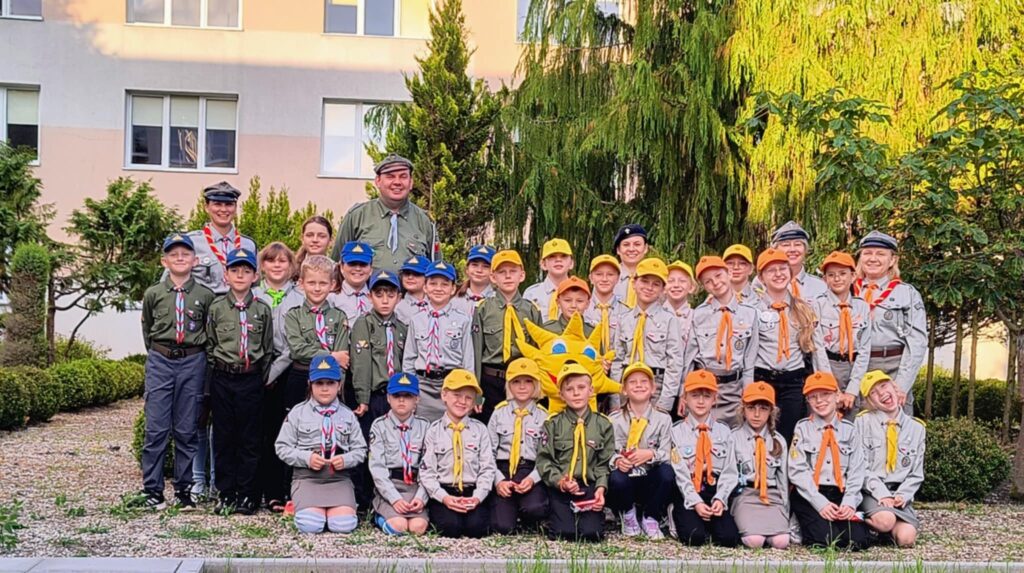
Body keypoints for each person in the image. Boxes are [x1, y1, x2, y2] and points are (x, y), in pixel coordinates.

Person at [180, 181, 257, 503]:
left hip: (235, 338)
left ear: (235, 207)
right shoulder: (193, 243)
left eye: (229, 204)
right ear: (207, 207)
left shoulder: (247, 244)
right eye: (217, 204)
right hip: (202, 337)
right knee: (201, 411)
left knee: (227, 417)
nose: (223, 209)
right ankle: (198, 478)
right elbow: (176, 284)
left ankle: (218, 480)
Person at [137, 233, 216, 510]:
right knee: (156, 429)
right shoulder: (154, 294)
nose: (180, 258)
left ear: (195, 260)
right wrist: (160, 354)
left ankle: (184, 490)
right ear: (164, 261)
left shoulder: (205, 296)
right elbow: (147, 329)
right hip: (161, 360)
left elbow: (209, 333)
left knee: (186, 429)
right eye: (174, 254)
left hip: (192, 362)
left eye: (185, 254)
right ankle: (153, 491)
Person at [204, 248, 274, 515]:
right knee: (224, 437)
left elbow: (267, 348)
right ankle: (226, 493)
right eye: (235, 270)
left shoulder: (262, 310)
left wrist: (258, 376)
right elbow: (210, 344)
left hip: (251, 379)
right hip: (223, 378)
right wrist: (221, 369)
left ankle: (248, 494)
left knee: (250, 438)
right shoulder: (217, 308)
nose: (240, 275)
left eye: (246, 271)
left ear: (255, 276)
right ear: (226, 275)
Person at [275, 353, 366, 534]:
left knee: (343, 525)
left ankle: (331, 509)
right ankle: (301, 504)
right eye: (319, 383)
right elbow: (282, 447)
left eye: (330, 383)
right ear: (310, 384)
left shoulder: (348, 415)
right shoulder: (297, 413)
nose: (325, 388)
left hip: (338, 479)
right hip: (307, 478)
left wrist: (346, 460)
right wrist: (306, 458)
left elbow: (361, 450)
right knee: (311, 525)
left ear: (339, 385)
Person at [753, 248, 830, 442]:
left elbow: (817, 349)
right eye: (771, 270)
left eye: (782, 269)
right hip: (762, 379)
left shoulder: (803, 308)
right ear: (761, 278)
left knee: (789, 436)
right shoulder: (752, 309)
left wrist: (828, 383)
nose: (778, 274)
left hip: (793, 382)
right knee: (761, 435)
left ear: (790, 272)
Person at [788, 371, 868, 550]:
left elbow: (857, 470)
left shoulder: (850, 430)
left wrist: (849, 502)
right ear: (807, 401)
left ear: (837, 396)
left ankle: (832, 523)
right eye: (813, 397)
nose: (819, 401)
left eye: (825, 394)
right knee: (825, 541)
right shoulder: (802, 429)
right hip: (811, 494)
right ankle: (800, 522)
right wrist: (820, 503)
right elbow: (797, 470)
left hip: (840, 493)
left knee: (858, 541)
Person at [535, 363, 615, 542]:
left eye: (581, 387)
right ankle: (555, 515)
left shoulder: (603, 424)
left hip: (589, 485)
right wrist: (561, 481)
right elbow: (544, 460)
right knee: (563, 533)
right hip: (561, 485)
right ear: (561, 395)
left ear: (591, 390)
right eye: (569, 389)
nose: (576, 393)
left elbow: (604, 463)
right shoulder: (552, 424)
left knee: (592, 535)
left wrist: (600, 489)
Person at [855, 231, 928, 413]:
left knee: (895, 426)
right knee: (856, 424)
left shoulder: (907, 294)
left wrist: (901, 385)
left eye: (880, 254)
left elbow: (917, 342)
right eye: (867, 253)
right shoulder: (846, 291)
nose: (873, 259)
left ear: (892, 260)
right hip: (855, 369)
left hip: (893, 368)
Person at [419, 370, 497, 538]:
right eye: (457, 395)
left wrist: (477, 497)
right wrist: (444, 497)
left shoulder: (480, 430)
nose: (462, 402)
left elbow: (487, 468)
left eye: (468, 398)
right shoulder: (433, 431)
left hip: (472, 490)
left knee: (477, 529)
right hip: (445, 490)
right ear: (444, 395)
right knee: (449, 528)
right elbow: (427, 472)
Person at [682, 256, 758, 427]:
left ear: (728, 273)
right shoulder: (699, 314)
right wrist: (683, 392)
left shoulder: (749, 313)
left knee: (735, 436)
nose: (715, 283)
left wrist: (748, 393)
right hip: (705, 389)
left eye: (718, 276)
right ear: (704, 287)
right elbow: (689, 359)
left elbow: (749, 360)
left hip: (735, 390)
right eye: (708, 281)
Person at [253, 241, 300, 513]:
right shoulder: (253, 295)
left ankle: (285, 490)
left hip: (287, 372)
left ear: (291, 266)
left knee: (287, 432)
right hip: (257, 373)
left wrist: (272, 373)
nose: (277, 265)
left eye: (283, 261)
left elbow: (294, 345)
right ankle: (264, 490)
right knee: (263, 433)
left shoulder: (300, 297)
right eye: (271, 260)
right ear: (262, 265)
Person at [332, 154, 438, 272]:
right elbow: (337, 265)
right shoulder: (357, 216)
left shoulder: (424, 221)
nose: (397, 182)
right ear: (378, 181)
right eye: (390, 176)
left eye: (403, 177)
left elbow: (436, 271)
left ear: (411, 182)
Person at [669, 370, 739, 547]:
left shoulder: (724, 431)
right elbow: (680, 474)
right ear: (685, 398)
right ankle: (675, 512)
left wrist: (720, 499)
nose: (701, 401)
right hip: (689, 489)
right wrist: (696, 502)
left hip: (715, 489)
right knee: (694, 538)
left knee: (729, 539)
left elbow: (730, 471)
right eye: (695, 396)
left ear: (714, 399)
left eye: (706, 396)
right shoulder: (676, 432)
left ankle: (710, 520)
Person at [471, 250, 542, 424]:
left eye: (513, 271)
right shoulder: (483, 309)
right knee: (489, 425)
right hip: (491, 380)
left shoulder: (531, 310)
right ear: (493, 277)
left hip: (522, 379)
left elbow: (538, 352)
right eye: (502, 272)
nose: (508, 276)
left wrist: (538, 388)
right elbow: (476, 352)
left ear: (522, 275)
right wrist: (476, 391)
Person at [855, 370, 924, 547]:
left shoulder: (917, 428)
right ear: (870, 402)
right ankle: (859, 522)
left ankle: (882, 532)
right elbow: (860, 467)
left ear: (894, 388)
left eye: (884, 386)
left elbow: (916, 473)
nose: (882, 393)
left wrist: (903, 495)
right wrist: (882, 494)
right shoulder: (862, 422)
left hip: (898, 494)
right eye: (874, 392)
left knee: (906, 539)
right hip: (871, 492)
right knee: (885, 520)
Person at [607, 363, 674, 539]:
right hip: (626, 479)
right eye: (632, 382)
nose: (638, 385)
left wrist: (651, 454)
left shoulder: (663, 419)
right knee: (616, 478)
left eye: (644, 381)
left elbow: (668, 453)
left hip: (649, 478)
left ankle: (651, 516)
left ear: (653, 389)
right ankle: (628, 513)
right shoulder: (614, 420)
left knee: (667, 473)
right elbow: (607, 452)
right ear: (624, 390)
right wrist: (617, 460)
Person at [610, 258, 684, 414]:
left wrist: (665, 401)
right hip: (627, 383)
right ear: (634, 283)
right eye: (644, 281)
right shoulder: (624, 320)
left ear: (663, 289)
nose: (649, 288)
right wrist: (615, 398)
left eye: (656, 284)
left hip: (656, 385)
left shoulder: (670, 320)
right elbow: (617, 360)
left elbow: (675, 363)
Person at [278, 255, 351, 415]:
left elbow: (343, 358)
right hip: (301, 376)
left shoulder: (339, 317)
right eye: (311, 283)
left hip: (331, 379)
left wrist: (339, 386)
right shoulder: (293, 316)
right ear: (301, 283)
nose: (317, 288)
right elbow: (298, 350)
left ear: (332, 284)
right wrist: (331, 355)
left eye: (323, 283)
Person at [402, 262, 474, 421]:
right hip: (423, 386)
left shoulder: (463, 320)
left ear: (453, 289)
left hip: (453, 385)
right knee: (422, 428)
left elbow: (468, 360)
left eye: (445, 284)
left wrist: (468, 390)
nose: (438, 288)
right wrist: (410, 389)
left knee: (451, 429)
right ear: (425, 287)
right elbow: (409, 359)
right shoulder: (416, 320)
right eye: (433, 283)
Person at [486, 358, 549, 534]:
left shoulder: (544, 417)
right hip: (503, 469)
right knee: (503, 527)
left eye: (528, 381)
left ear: (536, 384)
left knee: (536, 509)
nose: (522, 387)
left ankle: (526, 515)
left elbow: (546, 456)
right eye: (516, 382)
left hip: (529, 469)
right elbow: (488, 453)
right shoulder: (498, 413)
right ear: (509, 385)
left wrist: (532, 479)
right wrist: (498, 481)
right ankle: (509, 511)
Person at [368, 372, 431, 536]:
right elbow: (377, 468)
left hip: (415, 487)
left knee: (418, 528)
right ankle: (378, 515)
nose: (401, 400)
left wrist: (421, 497)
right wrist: (394, 498)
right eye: (396, 396)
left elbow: (429, 466)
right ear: (388, 398)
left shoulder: (425, 427)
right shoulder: (379, 426)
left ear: (417, 399)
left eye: (408, 396)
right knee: (399, 526)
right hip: (390, 486)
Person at [729, 382, 790, 549]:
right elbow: (729, 475)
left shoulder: (778, 440)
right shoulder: (733, 437)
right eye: (751, 408)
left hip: (772, 497)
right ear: (743, 410)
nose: (756, 414)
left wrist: (785, 508)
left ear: (772, 411)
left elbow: (782, 480)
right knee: (754, 541)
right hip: (745, 495)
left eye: (763, 409)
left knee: (781, 541)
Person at [350, 270, 408, 438]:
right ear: (370, 297)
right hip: (375, 395)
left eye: (390, 295)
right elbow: (361, 364)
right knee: (372, 439)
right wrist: (363, 398)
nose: (385, 301)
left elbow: (405, 363)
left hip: (398, 394)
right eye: (379, 295)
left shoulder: (402, 328)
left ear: (399, 298)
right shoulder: (364, 324)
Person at [814, 251, 871, 414]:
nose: (837, 278)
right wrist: (832, 387)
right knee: (826, 415)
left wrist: (853, 389)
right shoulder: (818, 306)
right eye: (831, 275)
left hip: (854, 368)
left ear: (853, 276)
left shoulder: (862, 307)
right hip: (828, 366)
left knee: (852, 417)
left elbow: (865, 349)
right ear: (825, 279)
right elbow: (818, 349)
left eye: (842, 273)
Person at [752, 221, 827, 304]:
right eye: (786, 245)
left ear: (805, 249)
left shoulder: (820, 286)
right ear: (775, 249)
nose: (792, 249)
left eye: (797, 244)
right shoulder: (761, 283)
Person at [584, 254, 630, 357]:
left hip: (617, 364)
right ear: (591, 278)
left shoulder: (626, 312)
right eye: (599, 274)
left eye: (610, 274)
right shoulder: (582, 309)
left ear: (618, 278)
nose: (604, 279)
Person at [523, 238, 575, 321]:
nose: (558, 260)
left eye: (563, 256)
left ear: (571, 263)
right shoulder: (531, 294)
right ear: (543, 264)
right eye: (552, 256)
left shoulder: (580, 293)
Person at [329, 241, 374, 324]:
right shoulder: (331, 299)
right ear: (342, 267)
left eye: (363, 264)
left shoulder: (377, 298)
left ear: (371, 269)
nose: (358, 269)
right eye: (352, 264)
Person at [612, 224, 649, 307]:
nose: (631, 249)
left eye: (637, 244)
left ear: (645, 248)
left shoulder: (655, 277)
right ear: (618, 249)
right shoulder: (606, 277)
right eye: (626, 245)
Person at [452, 245, 496, 316]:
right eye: (475, 265)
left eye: (486, 266)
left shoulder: (499, 300)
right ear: (467, 269)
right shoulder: (453, 296)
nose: (479, 270)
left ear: (493, 272)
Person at [293, 215, 334, 281]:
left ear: (330, 240)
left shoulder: (337, 271)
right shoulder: (290, 269)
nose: (315, 240)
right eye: (309, 235)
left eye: (321, 236)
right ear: (302, 238)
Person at [666, 260, 697, 344]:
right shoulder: (653, 316)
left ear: (692, 287)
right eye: (670, 281)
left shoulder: (696, 318)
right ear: (663, 287)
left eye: (682, 281)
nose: (676, 285)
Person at [394, 255, 430, 325]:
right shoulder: (397, 307)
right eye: (406, 273)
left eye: (416, 274)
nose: (410, 277)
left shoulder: (436, 303)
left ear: (427, 278)